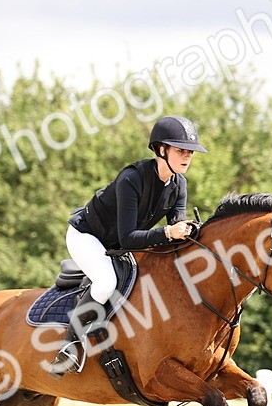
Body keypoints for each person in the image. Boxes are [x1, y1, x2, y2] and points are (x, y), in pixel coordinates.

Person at [48, 115, 208, 376]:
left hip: (119, 245)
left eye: (190, 152)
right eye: (180, 150)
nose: (187, 156)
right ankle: (69, 347)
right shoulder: (132, 179)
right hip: (87, 236)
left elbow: (175, 227)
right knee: (106, 282)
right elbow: (129, 239)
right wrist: (169, 232)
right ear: (161, 150)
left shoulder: (179, 184)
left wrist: (190, 231)